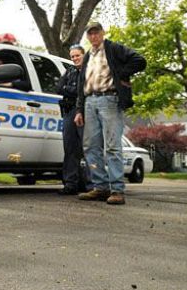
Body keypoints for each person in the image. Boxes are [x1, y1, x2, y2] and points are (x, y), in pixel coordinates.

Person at [74, 22, 146, 205]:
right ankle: (100, 187)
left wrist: (120, 73)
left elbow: (140, 60)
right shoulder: (88, 55)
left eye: (96, 33)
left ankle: (117, 190)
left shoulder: (113, 48)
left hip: (110, 100)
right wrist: (79, 109)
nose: (93, 37)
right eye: (90, 34)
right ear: (87, 37)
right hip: (89, 101)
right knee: (90, 146)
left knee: (112, 146)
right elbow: (82, 85)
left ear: (102, 33)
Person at [56, 44, 89, 195]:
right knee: (70, 149)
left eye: (77, 55)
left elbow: (84, 91)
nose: (75, 58)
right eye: (73, 56)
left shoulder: (89, 71)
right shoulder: (69, 71)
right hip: (69, 112)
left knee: (88, 149)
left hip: (84, 111)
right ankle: (70, 184)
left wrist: (69, 90)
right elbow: (58, 88)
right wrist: (73, 91)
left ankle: (92, 185)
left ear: (84, 55)